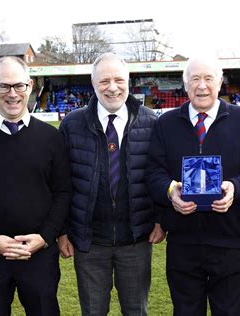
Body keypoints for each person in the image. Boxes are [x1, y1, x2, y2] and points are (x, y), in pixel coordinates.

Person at [0, 56, 72, 315]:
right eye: (4, 86)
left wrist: (44, 237)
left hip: (38, 256)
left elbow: (63, 193)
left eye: (18, 86)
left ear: (29, 86)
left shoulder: (51, 137)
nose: (12, 94)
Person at [146, 56, 240, 315]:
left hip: (229, 240)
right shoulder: (166, 124)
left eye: (208, 78)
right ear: (185, 84)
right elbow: (153, 172)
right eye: (195, 79)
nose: (202, 86)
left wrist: (235, 188)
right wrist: (170, 193)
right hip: (183, 241)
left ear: (220, 82)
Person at [58, 53, 165, 316]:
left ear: (129, 81)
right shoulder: (72, 125)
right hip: (90, 242)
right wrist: (61, 231)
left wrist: (162, 220)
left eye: (119, 79)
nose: (113, 87)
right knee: (93, 312)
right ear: (92, 83)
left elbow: (161, 175)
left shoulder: (151, 122)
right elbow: (60, 183)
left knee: (136, 310)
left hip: (136, 239)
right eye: (104, 80)